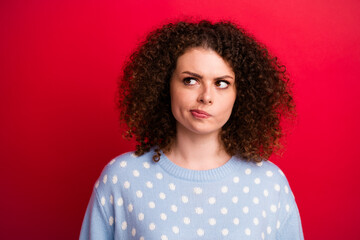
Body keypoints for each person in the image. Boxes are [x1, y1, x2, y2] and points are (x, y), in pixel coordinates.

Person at [79, 20, 304, 240]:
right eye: (190, 80)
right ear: (165, 85)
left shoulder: (268, 183)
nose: (206, 96)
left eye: (222, 83)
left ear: (241, 94)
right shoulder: (121, 177)